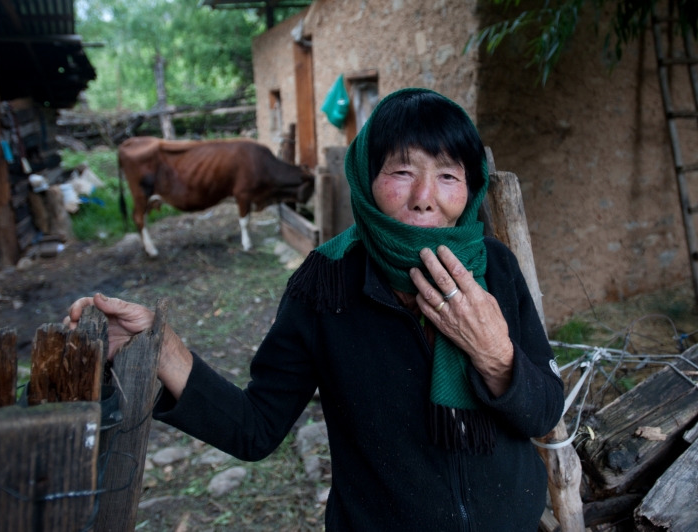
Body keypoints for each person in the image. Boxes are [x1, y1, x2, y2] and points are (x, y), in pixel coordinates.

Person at [66, 88, 564, 531]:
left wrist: (494, 351)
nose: (424, 199)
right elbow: (254, 427)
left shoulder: (495, 266)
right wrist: (161, 347)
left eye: (449, 175)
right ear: (368, 178)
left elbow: (543, 411)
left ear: (471, 186)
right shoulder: (325, 285)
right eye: (402, 171)